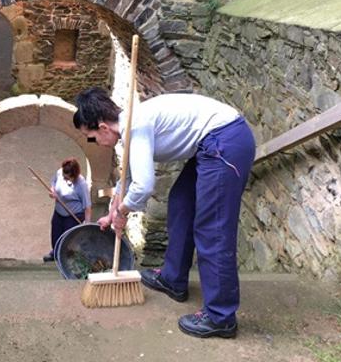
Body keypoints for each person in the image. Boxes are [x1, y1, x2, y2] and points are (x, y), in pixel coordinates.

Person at [73, 87, 255, 339]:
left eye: (91, 137)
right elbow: (128, 176)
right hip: (211, 143)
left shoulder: (136, 127)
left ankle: (220, 316)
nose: (95, 142)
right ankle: (173, 279)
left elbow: (143, 186)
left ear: (103, 128)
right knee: (182, 203)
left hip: (225, 141)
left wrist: (123, 212)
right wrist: (113, 209)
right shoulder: (128, 127)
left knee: (213, 230)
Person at [43, 158, 92, 263]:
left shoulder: (81, 184)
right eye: (64, 177)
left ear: (74, 175)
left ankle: (67, 258)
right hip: (59, 211)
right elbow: (53, 183)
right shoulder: (60, 173)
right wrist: (53, 192)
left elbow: (87, 206)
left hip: (73, 215)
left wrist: (87, 224)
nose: (65, 180)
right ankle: (56, 253)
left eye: (67, 178)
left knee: (68, 238)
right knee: (55, 233)